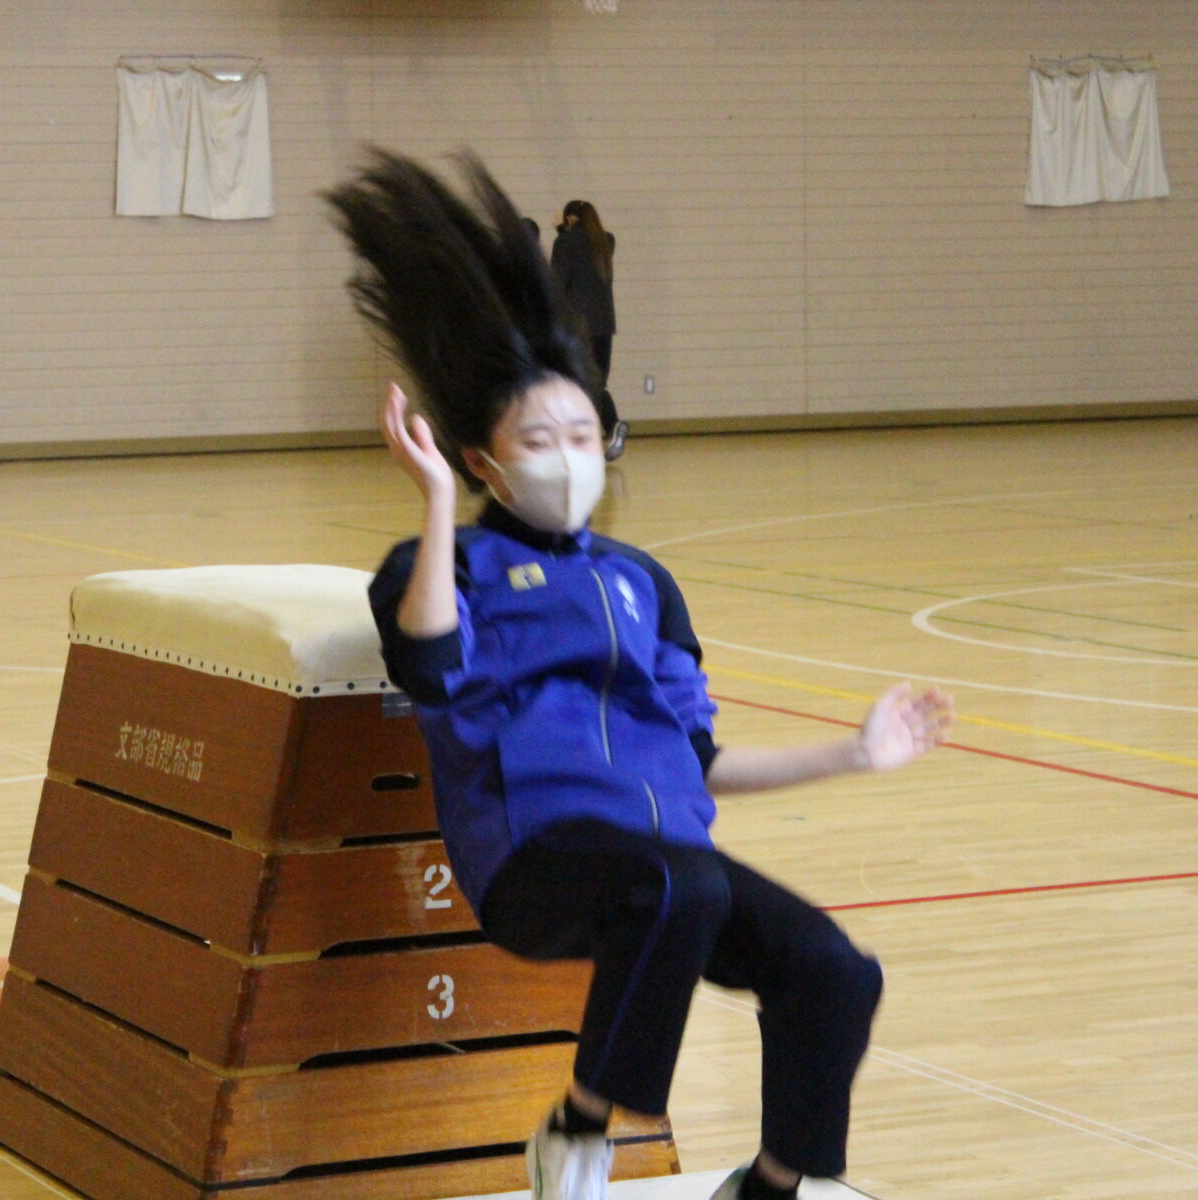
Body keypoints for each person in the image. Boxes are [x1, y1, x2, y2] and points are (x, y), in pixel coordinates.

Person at [327, 150, 953, 1200]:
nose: (567, 452)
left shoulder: (643, 584)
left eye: (583, 432)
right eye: (538, 436)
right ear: (483, 459)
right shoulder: (448, 567)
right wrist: (434, 504)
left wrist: (854, 753)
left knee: (835, 971)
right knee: (680, 880)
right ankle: (579, 1130)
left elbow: (701, 766)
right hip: (538, 867)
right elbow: (432, 672)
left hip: (668, 875)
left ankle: (770, 1186)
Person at [551, 198, 627, 460]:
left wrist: (562, 235)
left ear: (570, 219)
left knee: (577, 384)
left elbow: (557, 284)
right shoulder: (607, 242)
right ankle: (607, 430)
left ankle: (606, 428)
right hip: (604, 325)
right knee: (596, 383)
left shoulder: (565, 243)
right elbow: (585, 257)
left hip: (577, 327)